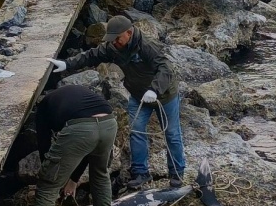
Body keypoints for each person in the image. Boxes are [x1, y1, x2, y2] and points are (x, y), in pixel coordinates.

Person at [48, 15, 186, 189]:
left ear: (129, 33)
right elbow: (93, 55)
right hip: (138, 96)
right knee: (136, 132)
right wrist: (67, 64)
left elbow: (166, 67)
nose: (114, 43)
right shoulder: (114, 47)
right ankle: (140, 173)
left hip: (165, 96)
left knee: (172, 134)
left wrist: (155, 89)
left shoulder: (147, 45)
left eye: (117, 39)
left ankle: (177, 174)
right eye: (111, 40)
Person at [34, 84, 117, 206]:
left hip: (82, 128)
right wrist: (72, 179)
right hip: (109, 123)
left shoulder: (43, 109)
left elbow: (45, 148)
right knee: (100, 174)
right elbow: (87, 150)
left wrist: (56, 177)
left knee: (47, 186)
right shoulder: (73, 95)